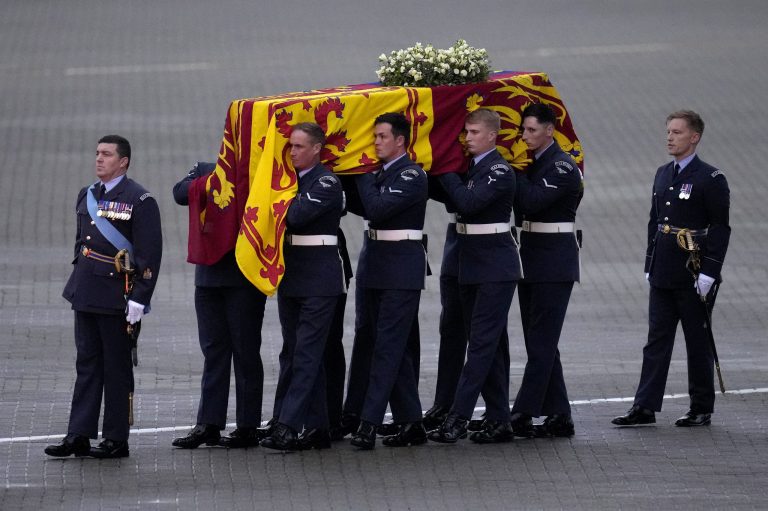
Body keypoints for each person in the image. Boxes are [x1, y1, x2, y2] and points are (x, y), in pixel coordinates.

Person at [45, 135, 162, 458]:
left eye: (107, 154)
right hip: (85, 291)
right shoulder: (88, 195)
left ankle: (115, 438)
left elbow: (150, 255)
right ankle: (79, 433)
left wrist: (140, 297)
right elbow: (80, 243)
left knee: (116, 367)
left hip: (116, 295)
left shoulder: (140, 200)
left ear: (123, 161)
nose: (99, 159)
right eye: (97, 153)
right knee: (87, 364)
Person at [612, 110, 730, 428]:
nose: (670, 137)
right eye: (668, 131)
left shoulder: (711, 179)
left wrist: (710, 272)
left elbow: (720, 227)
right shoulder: (664, 173)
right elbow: (656, 222)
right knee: (656, 339)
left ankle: (701, 406)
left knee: (697, 340)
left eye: (677, 132)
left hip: (693, 271)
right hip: (664, 268)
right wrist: (650, 263)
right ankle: (645, 406)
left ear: (694, 137)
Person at [428, 108, 521, 444]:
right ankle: (499, 419)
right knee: (490, 345)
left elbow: (468, 202)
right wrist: (434, 171)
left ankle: (459, 417)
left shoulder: (498, 170)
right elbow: (446, 194)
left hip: (495, 268)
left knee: (480, 345)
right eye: (465, 132)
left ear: (492, 135)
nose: (467, 138)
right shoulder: (471, 168)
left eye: (474, 133)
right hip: (471, 265)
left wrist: (445, 168)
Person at [260, 122, 345, 451]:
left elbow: (294, 215)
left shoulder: (326, 182)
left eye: (298, 146)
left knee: (306, 355)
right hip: (292, 276)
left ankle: (288, 425)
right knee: (292, 354)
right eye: (290, 146)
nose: (291, 152)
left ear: (316, 149)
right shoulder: (291, 180)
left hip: (319, 280)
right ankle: (317, 427)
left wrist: (278, 195)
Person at [170, 162, 267, 449]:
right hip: (209, 276)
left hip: (243, 278)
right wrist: (212, 181)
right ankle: (209, 423)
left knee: (245, 352)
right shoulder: (207, 169)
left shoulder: (257, 171)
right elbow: (179, 192)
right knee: (214, 352)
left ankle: (248, 425)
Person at [349, 112, 428, 450]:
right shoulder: (381, 174)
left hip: (400, 270)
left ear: (400, 140)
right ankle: (411, 422)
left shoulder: (412, 174)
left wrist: (362, 174)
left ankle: (368, 422)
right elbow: (359, 204)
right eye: (374, 136)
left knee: (388, 347)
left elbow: (377, 208)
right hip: (374, 265)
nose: (376, 142)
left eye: (382, 136)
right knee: (374, 343)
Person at [509, 103, 584, 438]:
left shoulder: (563, 168)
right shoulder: (536, 163)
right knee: (541, 342)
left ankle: (523, 412)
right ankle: (560, 414)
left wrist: (510, 173)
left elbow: (531, 202)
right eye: (523, 130)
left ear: (550, 130)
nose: (525, 136)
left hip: (554, 263)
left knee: (541, 343)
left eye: (532, 130)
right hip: (532, 260)